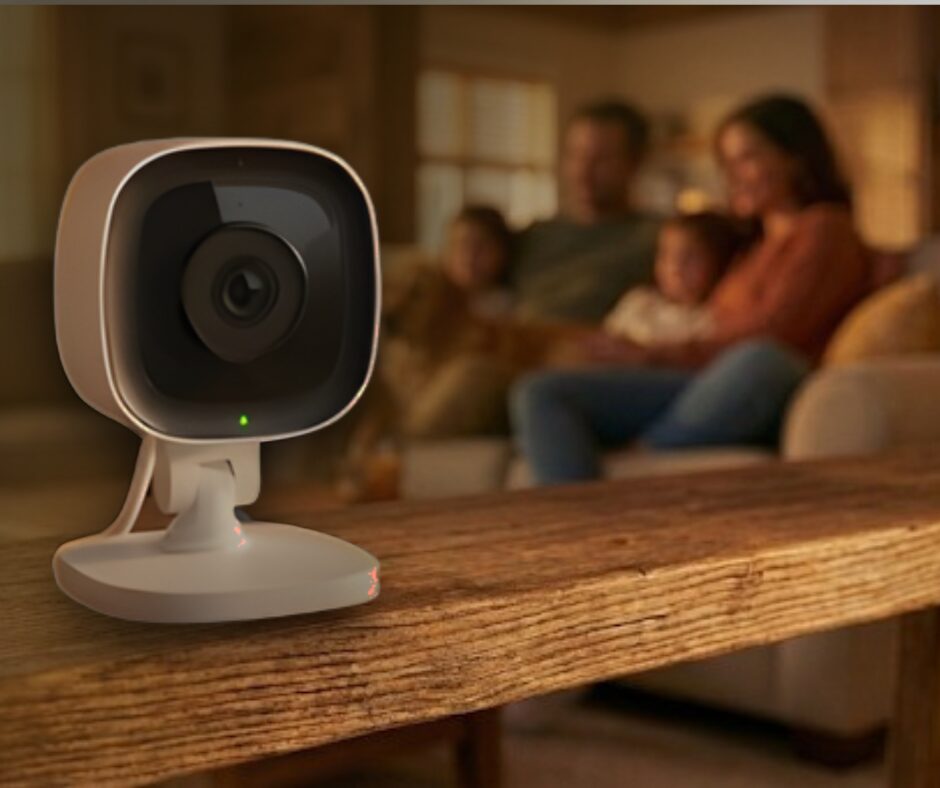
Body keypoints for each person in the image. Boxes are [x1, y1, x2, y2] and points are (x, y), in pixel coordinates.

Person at [511, 94, 872, 485]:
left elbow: (776, 333)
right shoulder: (749, 247)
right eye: (726, 163)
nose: (732, 175)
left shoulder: (824, 229)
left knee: (761, 358)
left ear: (795, 158)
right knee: (541, 392)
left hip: (756, 384)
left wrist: (651, 356)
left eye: (747, 158)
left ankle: (642, 459)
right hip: (699, 381)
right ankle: (574, 521)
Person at [511, 100, 660, 323]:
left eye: (602, 160)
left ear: (635, 162)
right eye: (575, 155)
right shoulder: (533, 236)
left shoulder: (658, 239)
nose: (583, 171)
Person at [604, 211, 744, 346]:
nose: (675, 266)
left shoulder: (707, 321)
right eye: (666, 255)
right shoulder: (639, 302)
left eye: (690, 257)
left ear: (718, 261)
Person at [443, 204, 515, 318]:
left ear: (502, 252)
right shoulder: (435, 300)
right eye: (462, 245)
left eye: (481, 247)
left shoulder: (509, 305)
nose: (469, 257)